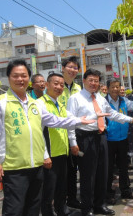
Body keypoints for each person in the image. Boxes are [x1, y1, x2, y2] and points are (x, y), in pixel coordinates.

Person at [0, 59, 94, 216]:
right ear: (8, 78)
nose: (20, 79)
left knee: (33, 209)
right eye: (16, 76)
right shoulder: (0, 102)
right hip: (14, 168)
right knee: (14, 210)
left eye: (24, 75)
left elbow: (55, 120)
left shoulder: (34, 104)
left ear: (28, 78)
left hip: (36, 167)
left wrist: (78, 121)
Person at [67, 68, 133, 216]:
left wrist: (130, 119)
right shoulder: (75, 99)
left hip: (102, 137)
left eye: (96, 81)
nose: (93, 83)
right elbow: (70, 122)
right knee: (87, 176)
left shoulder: (101, 98)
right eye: (90, 80)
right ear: (83, 81)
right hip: (84, 138)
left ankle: (99, 205)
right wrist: (73, 143)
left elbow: (113, 114)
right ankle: (87, 208)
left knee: (102, 174)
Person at [105, 78, 133, 204]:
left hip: (123, 138)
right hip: (108, 139)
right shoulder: (103, 101)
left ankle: (125, 191)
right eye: (113, 87)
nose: (115, 89)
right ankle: (108, 194)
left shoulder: (123, 100)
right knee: (108, 168)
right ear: (108, 88)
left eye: (117, 86)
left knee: (123, 167)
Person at [39, 73, 77, 216]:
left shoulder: (60, 105)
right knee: (48, 189)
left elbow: (71, 122)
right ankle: (48, 213)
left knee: (61, 186)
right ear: (47, 85)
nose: (59, 87)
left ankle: (62, 210)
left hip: (62, 152)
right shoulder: (40, 103)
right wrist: (45, 155)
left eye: (61, 85)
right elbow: (38, 133)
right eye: (55, 83)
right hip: (50, 154)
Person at [58, 56, 82, 209]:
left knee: (73, 170)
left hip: (75, 133)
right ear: (63, 68)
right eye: (70, 67)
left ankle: (72, 199)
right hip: (58, 133)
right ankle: (59, 203)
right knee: (60, 172)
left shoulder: (79, 88)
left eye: (75, 68)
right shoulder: (56, 86)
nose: (73, 70)